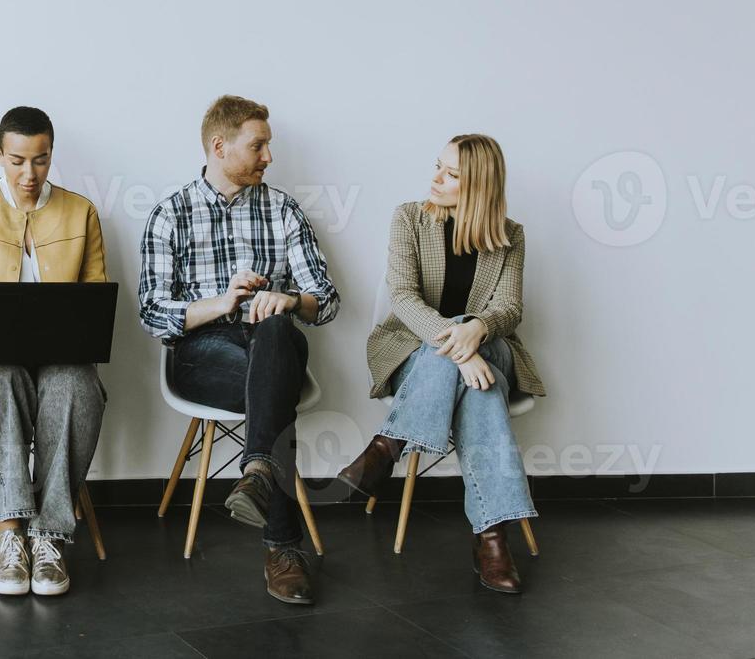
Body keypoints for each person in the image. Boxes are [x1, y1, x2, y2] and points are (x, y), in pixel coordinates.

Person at [138, 95, 339, 605]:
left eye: (268, 145)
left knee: (273, 332)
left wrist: (287, 298)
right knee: (272, 389)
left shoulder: (282, 209)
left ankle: (256, 473)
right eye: (259, 146)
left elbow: (327, 300)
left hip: (274, 345)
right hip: (203, 354)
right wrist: (222, 302)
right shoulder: (170, 214)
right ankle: (282, 546)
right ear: (219, 146)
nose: (269, 157)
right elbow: (152, 313)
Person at [336, 133, 545, 593]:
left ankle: (387, 447)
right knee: (479, 390)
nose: (436, 178)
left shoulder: (511, 236)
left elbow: (509, 308)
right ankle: (491, 537)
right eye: (437, 166)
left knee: (477, 361)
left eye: (451, 174)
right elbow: (404, 298)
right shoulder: (409, 219)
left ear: (479, 187)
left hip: (490, 351)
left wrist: (477, 330)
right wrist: (459, 344)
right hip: (415, 350)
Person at [0, 106, 109, 597]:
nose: (28, 174)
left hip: (59, 355)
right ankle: (10, 533)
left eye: (40, 161)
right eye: (16, 161)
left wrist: (73, 334)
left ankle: (49, 536)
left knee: (77, 384)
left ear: (51, 155)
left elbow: (94, 295)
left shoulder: (81, 212)